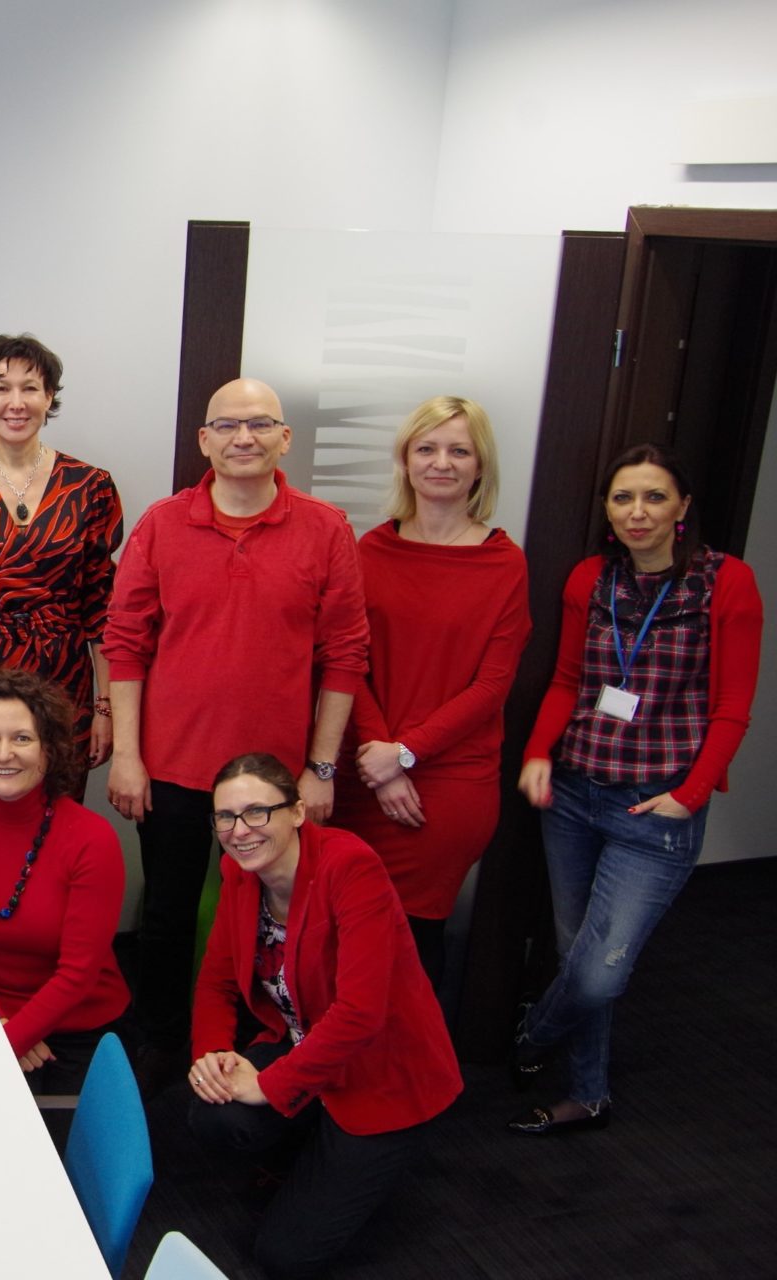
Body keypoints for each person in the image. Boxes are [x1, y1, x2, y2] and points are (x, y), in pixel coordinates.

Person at [103, 376, 367, 1089]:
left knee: (266, 920)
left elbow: (345, 656)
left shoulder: (326, 528)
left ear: (285, 438)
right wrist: (127, 757)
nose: (243, 438)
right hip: (174, 767)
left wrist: (322, 768)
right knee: (166, 911)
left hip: (277, 779)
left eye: (260, 425)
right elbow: (124, 645)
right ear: (204, 441)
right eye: (227, 425)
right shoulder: (162, 524)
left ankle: (256, 1037)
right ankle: (161, 1038)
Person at [510, 444, 762, 1134]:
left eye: (654, 497)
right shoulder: (592, 578)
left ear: (683, 509)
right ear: (608, 511)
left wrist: (694, 791)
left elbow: (733, 707)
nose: (638, 512)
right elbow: (568, 681)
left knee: (599, 971)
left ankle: (532, 1034)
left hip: (656, 808)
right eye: (624, 498)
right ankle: (588, 1092)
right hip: (573, 792)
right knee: (577, 953)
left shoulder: (724, 582)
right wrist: (538, 754)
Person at [188, 754, 460, 1280]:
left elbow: (360, 1014)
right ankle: (309, 1147)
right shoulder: (240, 872)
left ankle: (360, 1159)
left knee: (285, 1256)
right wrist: (216, 1055)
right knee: (214, 1111)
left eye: (256, 813)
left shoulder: (348, 866)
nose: (239, 831)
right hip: (304, 1040)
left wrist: (271, 1084)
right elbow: (217, 980)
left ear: (296, 813)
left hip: (381, 1072)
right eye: (225, 817)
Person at [332, 397, 531, 988]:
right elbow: (349, 661)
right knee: (342, 927)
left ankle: (415, 1076)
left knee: (412, 937)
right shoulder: (370, 549)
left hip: (448, 784)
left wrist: (407, 753)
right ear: (405, 460)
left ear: (479, 466)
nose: (441, 462)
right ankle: (334, 1070)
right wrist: (382, 757)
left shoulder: (504, 563)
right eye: (427, 448)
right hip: (361, 773)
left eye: (458, 450)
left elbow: (493, 684)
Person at [0, 335, 122, 807]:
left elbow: (101, 608)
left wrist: (105, 708)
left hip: (63, 676)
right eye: (0, 388)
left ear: (49, 397)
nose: (16, 403)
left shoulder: (91, 487)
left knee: (56, 815)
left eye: (30, 388)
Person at [0, 668, 130, 1094]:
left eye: (21, 738)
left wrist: (6, 1043)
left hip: (75, 1032)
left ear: (49, 750)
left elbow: (78, 973)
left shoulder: (92, 838)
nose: (3, 754)